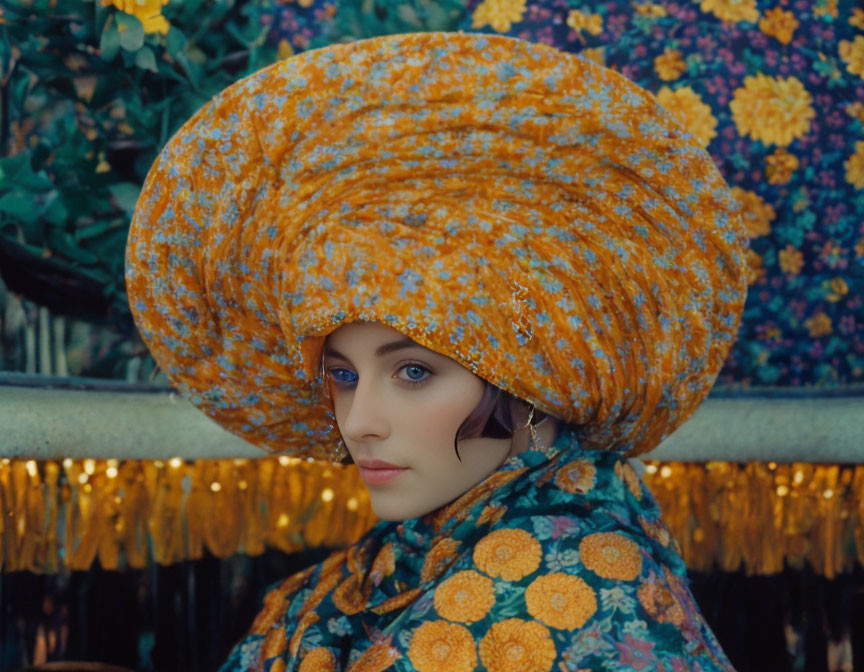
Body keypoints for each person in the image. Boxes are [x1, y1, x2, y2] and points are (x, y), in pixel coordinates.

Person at [125, 31, 748, 672]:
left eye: (413, 371)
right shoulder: (344, 589)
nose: (359, 420)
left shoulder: (594, 594)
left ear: (536, 386)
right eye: (341, 375)